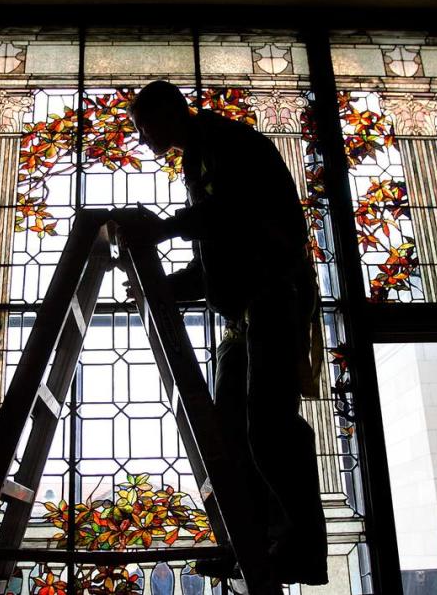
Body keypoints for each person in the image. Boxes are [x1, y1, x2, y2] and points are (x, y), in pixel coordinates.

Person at [112, 80, 328, 586]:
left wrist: (161, 230)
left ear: (172, 111)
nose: (143, 140)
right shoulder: (197, 160)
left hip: (275, 298)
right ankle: (252, 544)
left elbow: (229, 211)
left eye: (146, 127)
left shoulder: (230, 144)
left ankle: (300, 547)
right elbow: (215, 258)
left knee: (270, 428)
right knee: (231, 432)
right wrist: (158, 286)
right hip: (244, 312)